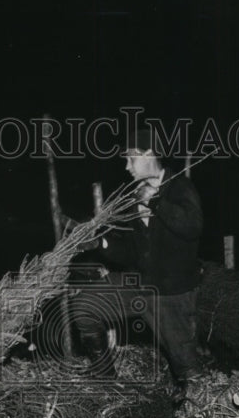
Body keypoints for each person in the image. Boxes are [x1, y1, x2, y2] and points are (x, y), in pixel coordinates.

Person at [71, 127, 204, 393]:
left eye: (130, 158)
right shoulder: (134, 197)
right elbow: (130, 252)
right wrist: (101, 243)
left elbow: (192, 226)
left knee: (189, 372)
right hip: (140, 285)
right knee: (86, 306)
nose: (127, 166)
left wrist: (155, 202)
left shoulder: (179, 187)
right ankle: (106, 384)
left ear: (149, 154)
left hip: (172, 293)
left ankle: (201, 414)